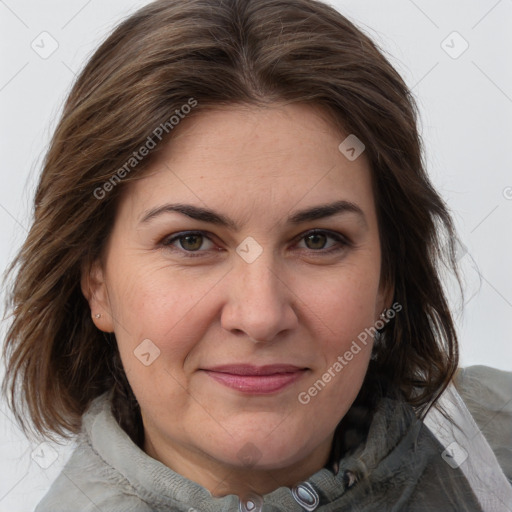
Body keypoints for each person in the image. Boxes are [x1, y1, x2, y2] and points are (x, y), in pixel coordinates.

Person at [2, 0, 511, 510]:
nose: (261, 316)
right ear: (96, 282)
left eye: (318, 240)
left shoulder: (496, 450)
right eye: (191, 241)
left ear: (388, 277)